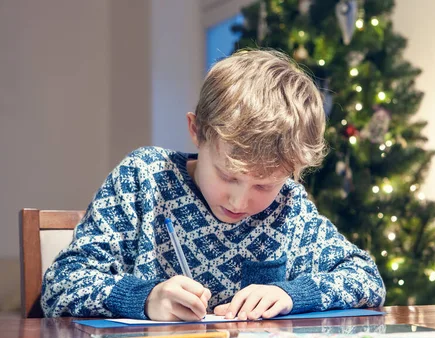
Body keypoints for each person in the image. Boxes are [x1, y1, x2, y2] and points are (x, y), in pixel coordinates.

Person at [41, 49, 386, 321]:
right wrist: (145, 298)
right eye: (227, 175)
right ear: (196, 131)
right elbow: (61, 284)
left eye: (263, 186)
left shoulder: (289, 207)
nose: (239, 201)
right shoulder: (143, 179)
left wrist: (293, 294)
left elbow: (365, 278)